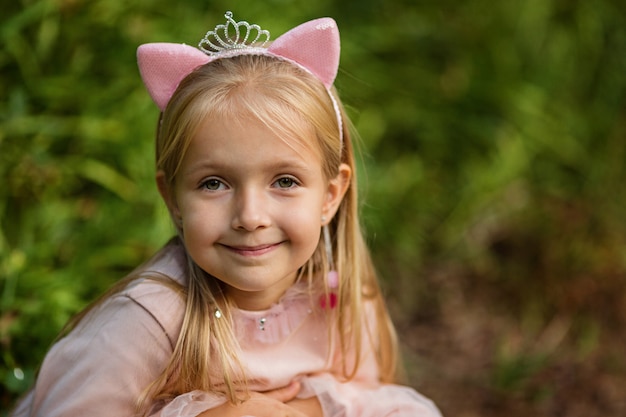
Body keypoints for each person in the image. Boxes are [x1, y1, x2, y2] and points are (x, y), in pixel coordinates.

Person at [11, 11, 442, 417]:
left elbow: (370, 399)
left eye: (285, 181)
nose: (250, 216)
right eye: (214, 183)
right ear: (174, 198)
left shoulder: (338, 297)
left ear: (330, 195)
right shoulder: (146, 324)